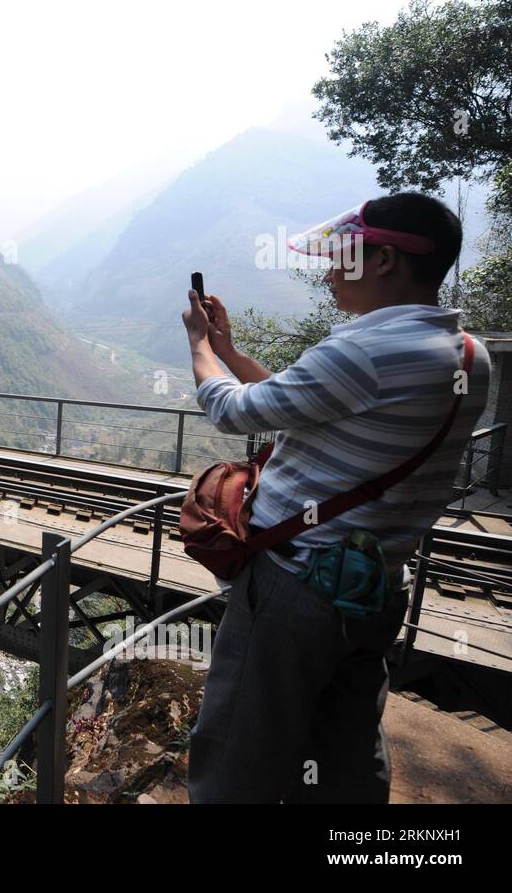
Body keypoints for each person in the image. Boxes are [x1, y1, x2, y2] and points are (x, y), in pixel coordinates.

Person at [180, 193, 490, 804]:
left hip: (295, 587)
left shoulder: (362, 351)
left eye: (342, 256)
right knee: (346, 746)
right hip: (373, 586)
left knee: (239, 751)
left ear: (386, 262)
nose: (328, 271)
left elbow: (230, 411)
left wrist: (200, 346)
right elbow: (313, 407)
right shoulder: (468, 356)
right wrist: (234, 352)